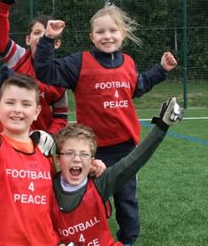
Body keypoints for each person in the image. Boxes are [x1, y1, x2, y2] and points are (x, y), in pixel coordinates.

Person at [32, 5, 178, 245]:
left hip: (124, 149)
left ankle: (127, 240)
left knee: (126, 201)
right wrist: (48, 39)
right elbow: (45, 71)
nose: (107, 36)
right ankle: (80, 237)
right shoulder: (80, 62)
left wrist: (161, 70)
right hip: (91, 151)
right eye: (100, 32)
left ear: (121, 34)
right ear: (92, 37)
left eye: (112, 30)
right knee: (85, 200)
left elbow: (138, 86)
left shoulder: (128, 63)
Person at [0, 35, 60, 245]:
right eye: (10, 102)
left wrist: (94, 167)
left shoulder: (45, 154)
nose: (17, 110)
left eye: (26, 104)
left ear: (36, 112)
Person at [51, 97, 183, 245]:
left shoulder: (99, 183)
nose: (76, 159)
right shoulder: (47, 189)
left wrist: (162, 126)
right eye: (69, 153)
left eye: (84, 154)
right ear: (57, 159)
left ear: (92, 160)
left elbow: (133, 161)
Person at [0, 0, 68, 136]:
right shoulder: (17, 56)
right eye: (37, 33)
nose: (41, 38)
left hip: (39, 144)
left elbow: (61, 117)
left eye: (47, 34)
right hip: (8, 139)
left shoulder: (60, 73)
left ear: (57, 44)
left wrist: (48, 138)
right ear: (27, 40)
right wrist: (2, 7)